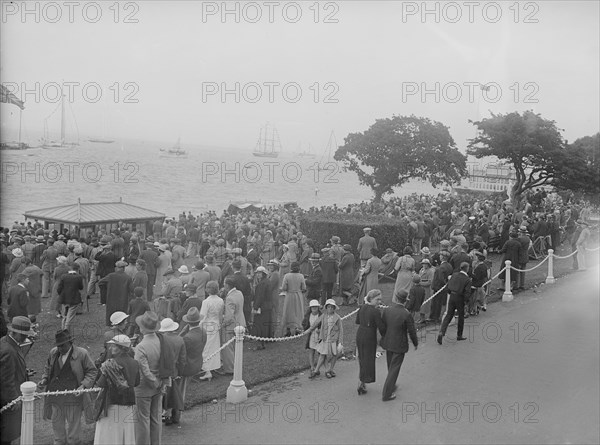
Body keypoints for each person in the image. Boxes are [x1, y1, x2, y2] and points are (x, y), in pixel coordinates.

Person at [39, 329, 97, 445]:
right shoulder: (53, 352)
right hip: (55, 395)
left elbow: (92, 371)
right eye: (58, 345)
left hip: (73, 396)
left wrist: (83, 385)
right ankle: (59, 441)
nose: (60, 348)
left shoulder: (82, 354)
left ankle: (73, 442)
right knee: (57, 422)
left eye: (62, 345)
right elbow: (48, 368)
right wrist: (44, 379)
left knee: (73, 424)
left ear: (70, 342)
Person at [93, 335, 140, 445]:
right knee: (125, 434)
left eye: (113, 346)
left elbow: (100, 384)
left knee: (110, 435)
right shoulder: (135, 363)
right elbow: (137, 383)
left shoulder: (110, 364)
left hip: (112, 404)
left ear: (121, 348)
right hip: (128, 404)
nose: (110, 348)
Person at [0, 316, 34, 445]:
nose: (26, 338)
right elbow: (5, 380)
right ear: (18, 333)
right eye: (25, 335)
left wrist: (24, 372)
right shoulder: (8, 350)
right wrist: (13, 399)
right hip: (9, 404)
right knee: (7, 436)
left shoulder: (6, 342)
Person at [380, 289, 418, 401]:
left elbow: (383, 326)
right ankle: (387, 393)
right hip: (399, 344)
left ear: (396, 298)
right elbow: (412, 331)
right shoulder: (406, 314)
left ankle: (391, 385)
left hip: (388, 342)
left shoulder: (387, 311)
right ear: (406, 301)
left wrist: (385, 336)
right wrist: (415, 343)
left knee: (390, 366)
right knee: (394, 368)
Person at [133, 311, 163, 445]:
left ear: (142, 328)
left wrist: (153, 380)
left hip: (144, 387)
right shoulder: (161, 340)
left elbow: (144, 370)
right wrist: (159, 381)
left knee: (142, 420)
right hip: (160, 383)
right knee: (155, 418)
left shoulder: (141, 347)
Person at [355, 289, 384, 395]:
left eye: (380, 300)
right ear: (371, 299)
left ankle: (362, 381)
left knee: (362, 359)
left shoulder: (362, 307)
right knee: (368, 360)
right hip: (369, 336)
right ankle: (361, 382)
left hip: (360, 334)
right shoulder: (375, 311)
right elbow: (381, 327)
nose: (379, 302)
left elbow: (358, 321)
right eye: (377, 300)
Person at [158, 318, 186, 426]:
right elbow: (182, 359)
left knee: (163, 394)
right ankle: (173, 416)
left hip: (163, 369)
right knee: (173, 394)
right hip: (174, 370)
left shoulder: (161, 339)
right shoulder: (180, 339)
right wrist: (180, 371)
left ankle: (165, 414)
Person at [306, 299, 344, 379]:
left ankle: (330, 369)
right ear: (326, 308)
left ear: (334, 308)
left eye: (332, 307)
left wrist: (340, 342)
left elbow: (341, 330)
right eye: (328, 307)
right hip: (325, 338)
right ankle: (316, 371)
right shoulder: (323, 316)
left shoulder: (337, 318)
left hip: (333, 339)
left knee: (334, 354)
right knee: (323, 354)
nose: (330, 309)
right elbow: (316, 323)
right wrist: (309, 330)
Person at [437, 262, 473, 345]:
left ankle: (442, 332)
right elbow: (467, 293)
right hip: (460, 298)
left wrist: (450, 293)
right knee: (461, 316)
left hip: (452, 296)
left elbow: (448, 286)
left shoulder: (454, 275)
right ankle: (459, 335)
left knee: (449, 315)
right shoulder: (467, 280)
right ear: (467, 269)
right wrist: (466, 302)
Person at [217, 277, 246, 375]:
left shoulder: (230, 298)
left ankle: (229, 369)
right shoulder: (239, 293)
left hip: (231, 326)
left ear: (227, 285)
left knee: (228, 348)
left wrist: (222, 325)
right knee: (236, 347)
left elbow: (229, 316)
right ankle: (235, 365)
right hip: (241, 322)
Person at [199, 281, 223, 380]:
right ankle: (214, 366)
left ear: (208, 289)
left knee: (206, 348)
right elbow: (220, 314)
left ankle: (208, 370)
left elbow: (202, 316)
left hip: (208, 325)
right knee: (214, 347)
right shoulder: (221, 300)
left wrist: (198, 326)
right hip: (216, 324)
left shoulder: (206, 302)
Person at [99, 260, 134, 326]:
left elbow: (100, 282)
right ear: (124, 268)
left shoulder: (111, 276)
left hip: (111, 297)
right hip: (123, 298)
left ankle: (110, 323)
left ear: (117, 268)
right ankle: (121, 324)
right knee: (122, 312)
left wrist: (106, 289)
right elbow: (132, 290)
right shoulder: (128, 278)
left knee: (111, 311)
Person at [280, 262, 307, 337]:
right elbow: (304, 288)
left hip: (289, 295)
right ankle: (297, 328)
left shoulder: (287, 276)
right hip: (298, 295)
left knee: (289, 311)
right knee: (298, 311)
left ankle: (288, 329)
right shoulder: (301, 276)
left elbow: (284, 288)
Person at [57, 263, 84, 331]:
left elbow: (59, 288)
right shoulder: (79, 277)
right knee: (70, 316)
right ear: (78, 269)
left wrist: (61, 294)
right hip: (74, 298)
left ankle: (63, 329)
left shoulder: (63, 276)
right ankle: (66, 330)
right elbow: (81, 287)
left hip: (64, 297)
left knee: (64, 316)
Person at [252, 266, 273, 348]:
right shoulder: (267, 281)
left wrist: (256, 307)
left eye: (259, 273)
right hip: (268, 306)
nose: (258, 275)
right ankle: (265, 340)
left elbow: (260, 296)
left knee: (260, 324)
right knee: (266, 324)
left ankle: (261, 342)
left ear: (264, 274)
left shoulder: (262, 283)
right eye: (257, 273)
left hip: (262, 307)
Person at [301, 300, 322, 377]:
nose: (314, 308)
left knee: (320, 352)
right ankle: (312, 366)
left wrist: (320, 330)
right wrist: (305, 329)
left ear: (318, 307)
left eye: (316, 307)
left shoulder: (320, 315)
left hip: (319, 336)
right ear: (310, 308)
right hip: (311, 336)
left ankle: (318, 367)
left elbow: (324, 325)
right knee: (311, 350)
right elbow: (304, 324)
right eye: (313, 307)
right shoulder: (308, 316)